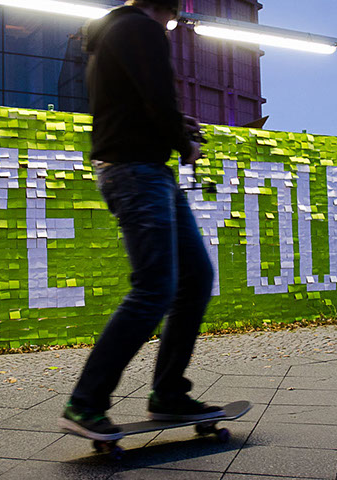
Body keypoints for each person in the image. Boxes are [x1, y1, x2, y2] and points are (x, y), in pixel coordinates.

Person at [58, 0, 224, 441]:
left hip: (144, 170)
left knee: (195, 277)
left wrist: (175, 125)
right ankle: (85, 403)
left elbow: (133, 104)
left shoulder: (114, 33)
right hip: (136, 172)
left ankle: (168, 393)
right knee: (154, 288)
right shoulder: (141, 29)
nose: (173, 24)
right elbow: (156, 96)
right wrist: (184, 143)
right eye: (173, 16)